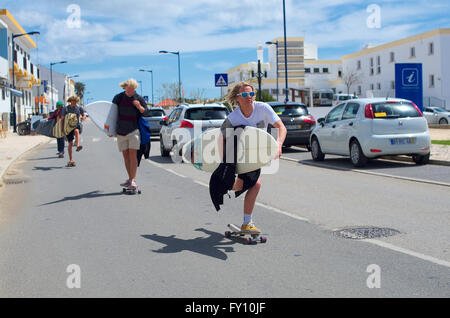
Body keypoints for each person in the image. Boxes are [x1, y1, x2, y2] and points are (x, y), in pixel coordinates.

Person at [221, 82, 286, 234]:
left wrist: (279, 144)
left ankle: (228, 187)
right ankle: (247, 222)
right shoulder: (233, 118)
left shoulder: (263, 109)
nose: (249, 97)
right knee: (255, 185)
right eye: (244, 95)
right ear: (238, 99)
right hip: (238, 155)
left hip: (257, 155)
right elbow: (221, 138)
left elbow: (281, 127)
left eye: (251, 94)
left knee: (250, 185)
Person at [112, 79, 148, 190]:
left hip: (133, 130)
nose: (131, 92)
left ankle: (133, 180)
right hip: (120, 131)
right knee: (125, 156)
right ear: (125, 88)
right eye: (129, 90)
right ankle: (130, 179)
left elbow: (146, 112)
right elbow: (112, 114)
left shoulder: (138, 98)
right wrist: (110, 130)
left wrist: (139, 106)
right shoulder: (118, 98)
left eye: (133, 90)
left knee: (133, 155)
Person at [62, 95, 86, 167]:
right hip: (68, 127)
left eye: (76, 101)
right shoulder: (65, 109)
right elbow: (62, 119)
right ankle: (71, 159)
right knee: (70, 143)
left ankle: (78, 145)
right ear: (70, 101)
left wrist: (83, 117)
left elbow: (83, 115)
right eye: (73, 101)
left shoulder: (78, 108)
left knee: (76, 131)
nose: (75, 103)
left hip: (76, 125)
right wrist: (62, 129)